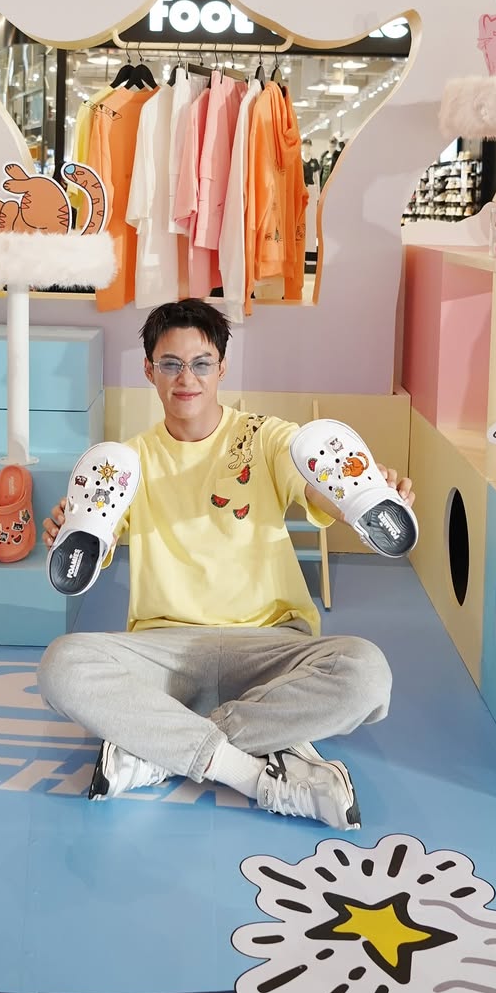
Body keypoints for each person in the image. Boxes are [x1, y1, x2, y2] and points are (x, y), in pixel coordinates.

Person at [37, 298, 414, 830]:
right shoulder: (125, 464)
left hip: (271, 645)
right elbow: (96, 545)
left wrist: (359, 495)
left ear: (222, 367)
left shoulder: (266, 436)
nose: (186, 378)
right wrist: (71, 529)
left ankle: (157, 747)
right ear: (148, 370)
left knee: (367, 673)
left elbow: (316, 488)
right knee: (61, 665)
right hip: (166, 651)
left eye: (201, 363)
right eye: (170, 364)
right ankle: (254, 770)